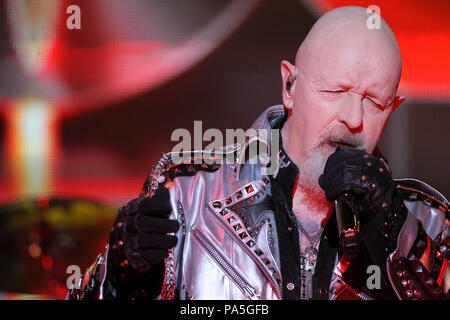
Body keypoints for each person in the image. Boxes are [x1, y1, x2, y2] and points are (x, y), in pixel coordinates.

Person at [68, 6, 449, 300]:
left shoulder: (427, 219)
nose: (352, 119)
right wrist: (118, 280)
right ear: (289, 85)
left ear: (393, 108)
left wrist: (398, 248)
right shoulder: (187, 188)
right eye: (335, 91)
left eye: (373, 102)